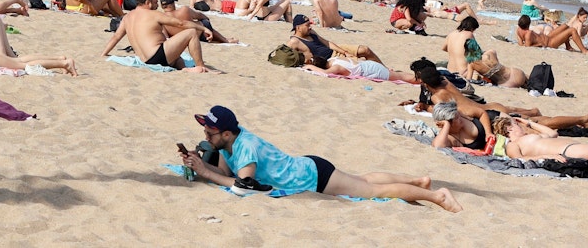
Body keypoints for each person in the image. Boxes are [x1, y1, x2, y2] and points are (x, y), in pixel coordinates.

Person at [179, 105, 461, 211]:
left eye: (211, 132)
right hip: (309, 166)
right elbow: (226, 171)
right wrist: (201, 162)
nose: (206, 135)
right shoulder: (233, 142)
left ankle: (438, 197)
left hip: (313, 176)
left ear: (227, 133)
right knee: (362, 180)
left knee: (373, 192)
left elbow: (240, 185)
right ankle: (417, 181)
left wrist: (205, 173)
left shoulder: (247, 149)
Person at [101, 0, 211, 72]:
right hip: (157, 56)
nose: (157, 5)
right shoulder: (153, 14)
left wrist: (104, 53)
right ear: (148, 2)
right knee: (191, 32)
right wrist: (203, 28)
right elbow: (181, 23)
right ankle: (201, 67)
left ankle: (185, 69)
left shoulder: (127, 17)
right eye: (155, 2)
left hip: (145, 59)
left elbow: (116, 37)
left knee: (177, 57)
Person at [287, 15, 382, 64]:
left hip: (335, 50)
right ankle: (385, 73)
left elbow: (327, 43)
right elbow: (285, 54)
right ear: (298, 28)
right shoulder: (294, 42)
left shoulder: (311, 32)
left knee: (365, 49)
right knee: (361, 63)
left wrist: (344, 52)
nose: (310, 27)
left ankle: (384, 69)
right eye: (307, 25)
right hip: (330, 59)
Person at [493, 115, 588, 161]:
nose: (522, 126)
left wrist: (529, 123)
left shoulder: (527, 138)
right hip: (568, 151)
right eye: (517, 124)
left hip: (573, 148)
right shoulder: (512, 144)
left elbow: (552, 133)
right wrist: (545, 156)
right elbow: (519, 159)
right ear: (510, 128)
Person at [158, 0, 235, 43]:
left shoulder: (161, 19)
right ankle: (224, 39)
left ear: (162, 6)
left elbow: (166, 37)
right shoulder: (184, 10)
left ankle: (221, 39)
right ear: (172, 3)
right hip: (198, 34)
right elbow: (201, 16)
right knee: (204, 22)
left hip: (183, 39)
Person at [304, 56, 417, 82]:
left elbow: (325, 73)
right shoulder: (334, 59)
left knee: (401, 77)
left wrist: (310, 66)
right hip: (368, 64)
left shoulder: (335, 67)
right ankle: (420, 77)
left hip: (371, 70)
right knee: (398, 75)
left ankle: (422, 79)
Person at [463, 43, 527, 88]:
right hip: (516, 73)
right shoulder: (491, 52)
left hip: (508, 84)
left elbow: (469, 80)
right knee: (530, 82)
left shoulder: (471, 64)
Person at [515, 15, 588, 52]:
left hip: (548, 37)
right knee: (572, 30)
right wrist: (540, 44)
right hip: (550, 43)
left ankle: (568, 47)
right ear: (528, 25)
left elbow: (521, 44)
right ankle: (584, 51)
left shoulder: (518, 30)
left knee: (564, 26)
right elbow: (528, 47)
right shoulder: (528, 33)